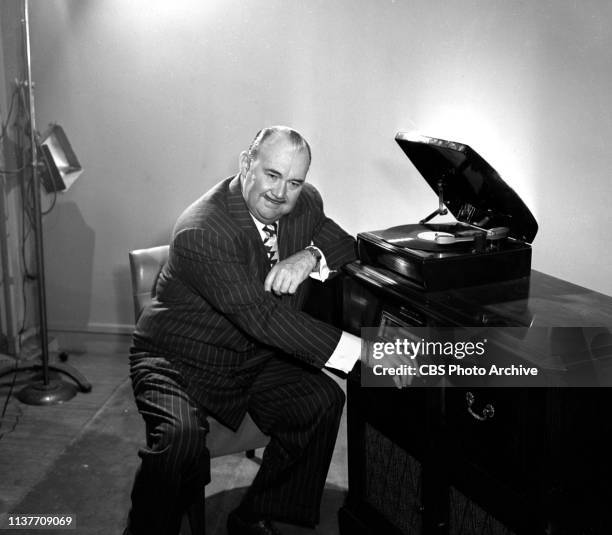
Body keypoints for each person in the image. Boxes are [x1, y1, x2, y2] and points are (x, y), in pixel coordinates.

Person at [125, 126, 365, 535]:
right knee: (179, 438)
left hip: (250, 354)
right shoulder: (203, 228)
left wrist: (308, 255)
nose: (281, 193)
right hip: (178, 358)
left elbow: (341, 240)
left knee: (322, 401)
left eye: (294, 182)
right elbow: (263, 317)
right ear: (246, 165)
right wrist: (363, 351)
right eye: (272, 175)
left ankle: (256, 515)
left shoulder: (305, 203)